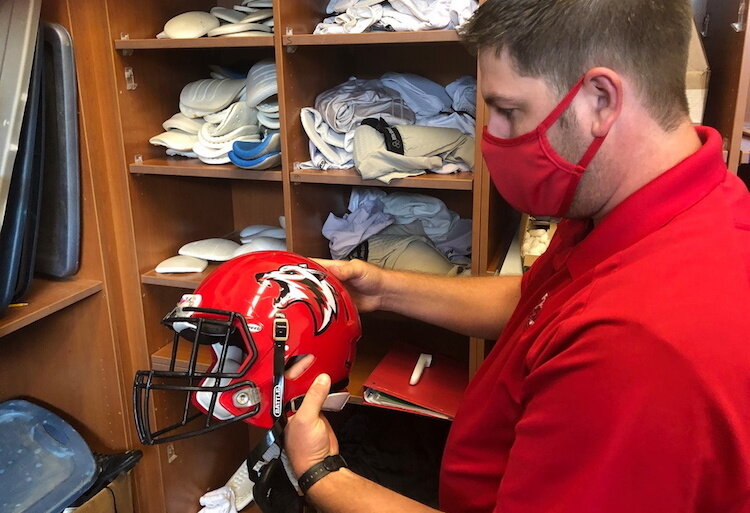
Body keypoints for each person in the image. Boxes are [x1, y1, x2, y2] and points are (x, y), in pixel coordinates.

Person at [284, 0, 750, 512]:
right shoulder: (638, 204)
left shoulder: (640, 345)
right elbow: (544, 304)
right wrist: (385, 288)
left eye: (508, 112)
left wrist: (323, 475)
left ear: (600, 99)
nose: (490, 139)